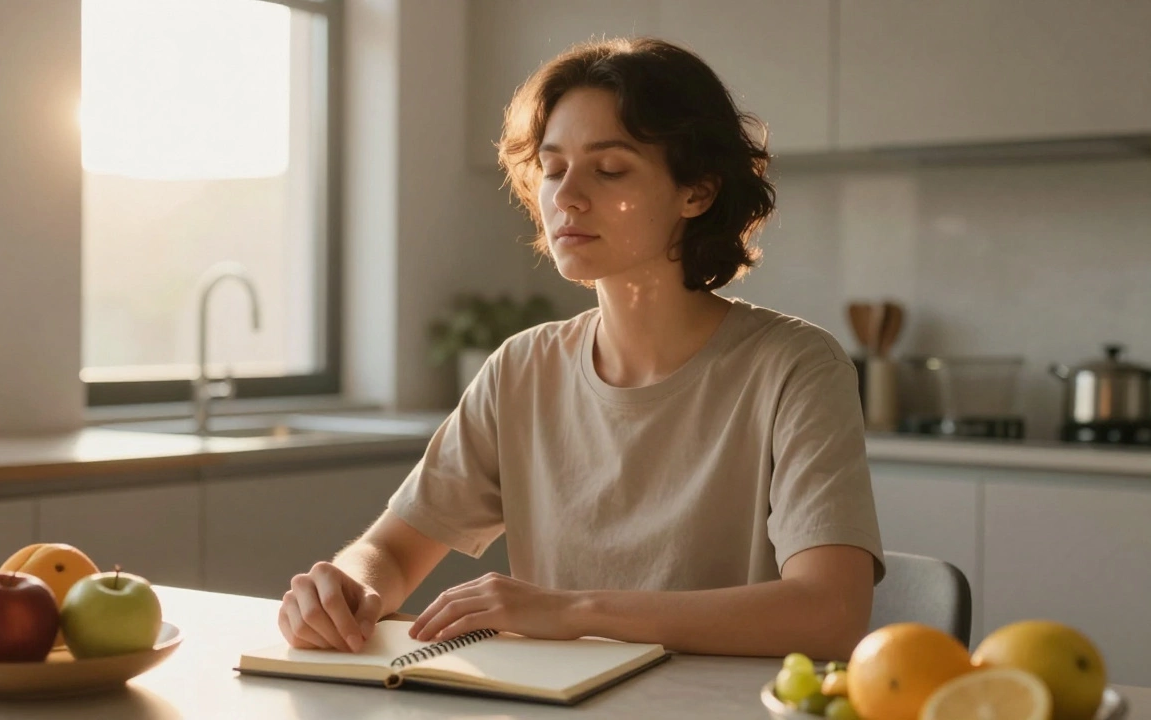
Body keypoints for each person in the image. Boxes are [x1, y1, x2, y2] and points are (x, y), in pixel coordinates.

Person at [278, 37, 884, 660]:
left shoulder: (796, 367)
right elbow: (393, 550)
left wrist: (572, 610)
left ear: (696, 193)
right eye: (553, 167)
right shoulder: (521, 368)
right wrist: (348, 587)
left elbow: (829, 613)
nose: (566, 195)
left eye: (610, 168)